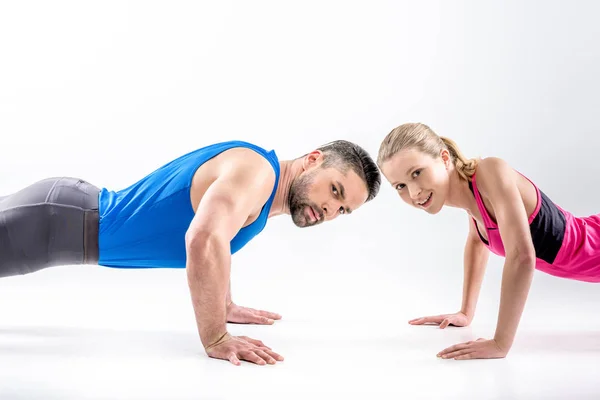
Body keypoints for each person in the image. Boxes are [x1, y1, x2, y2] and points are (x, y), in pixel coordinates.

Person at [0, 139, 381, 366]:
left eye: (343, 209)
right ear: (313, 159)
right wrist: (216, 336)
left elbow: (219, 238)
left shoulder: (260, 188)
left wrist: (225, 303)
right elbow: (203, 239)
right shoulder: (258, 173)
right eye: (335, 191)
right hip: (55, 223)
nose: (332, 210)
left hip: (64, 217)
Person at [376, 122, 600, 361]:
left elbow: (522, 256)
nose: (414, 193)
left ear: (443, 158)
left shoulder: (491, 172)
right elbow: (476, 244)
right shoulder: (471, 201)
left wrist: (500, 343)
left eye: (417, 173)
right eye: (400, 186)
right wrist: (465, 313)